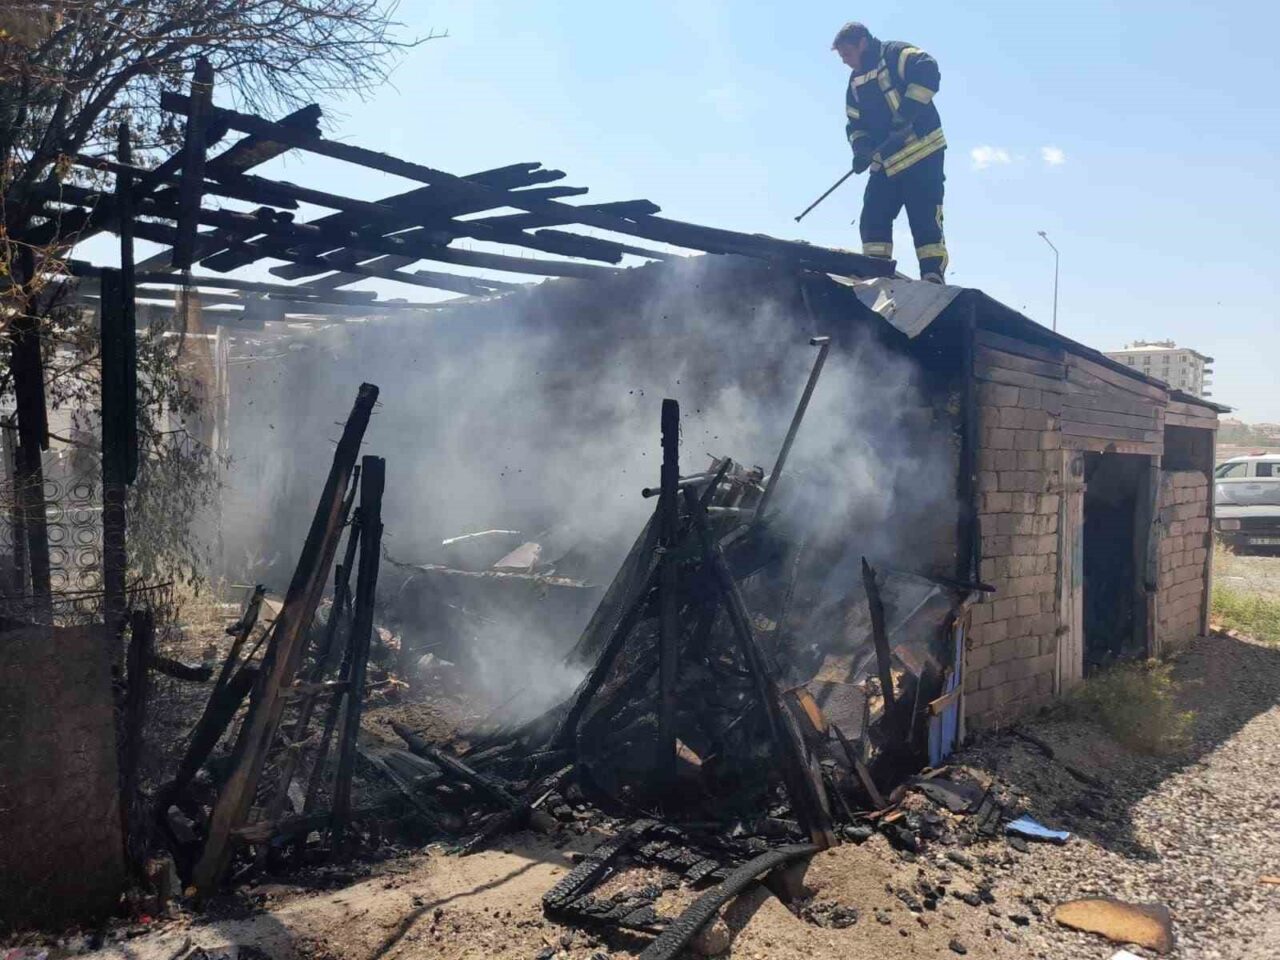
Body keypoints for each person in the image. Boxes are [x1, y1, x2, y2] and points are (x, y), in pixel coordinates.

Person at [833, 21, 948, 283]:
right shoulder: (854, 84)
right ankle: (876, 273)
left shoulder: (896, 54)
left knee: (924, 217)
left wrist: (906, 114)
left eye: (847, 54)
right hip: (885, 161)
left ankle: (932, 276)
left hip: (922, 153)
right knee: (873, 215)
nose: (845, 61)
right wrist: (861, 150)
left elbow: (928, 70)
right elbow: (855, 123)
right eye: (842, 57)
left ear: (862, 42)